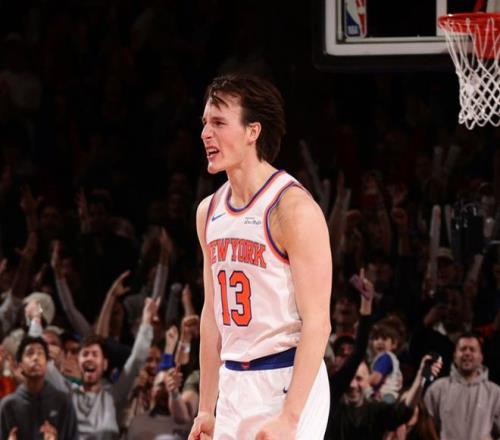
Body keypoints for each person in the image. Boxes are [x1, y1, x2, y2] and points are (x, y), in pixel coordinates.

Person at [189, 74, 332, 440]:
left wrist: (290, 417)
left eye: (218, 123)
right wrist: (206, 407)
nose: (206, 133)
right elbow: (211, 314)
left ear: (253, 131)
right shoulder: (208, 212)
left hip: (287, 378)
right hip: (234, 383)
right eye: (205, 123)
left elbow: (318, 323)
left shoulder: (292, 208)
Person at [424, 332, 500, 440]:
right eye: (463, 349)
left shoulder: (495, 393)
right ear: (455, 356)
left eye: (472, 349)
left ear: (481, 357)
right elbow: (424, 426)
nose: (467, 353)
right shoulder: (437, 389)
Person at [0, 336, 78, 440]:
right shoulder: (8, 405)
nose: (36, 358)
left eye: (40, 353)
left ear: (47, 363)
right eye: (30, 353)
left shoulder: (63, 402)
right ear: (20, 365)